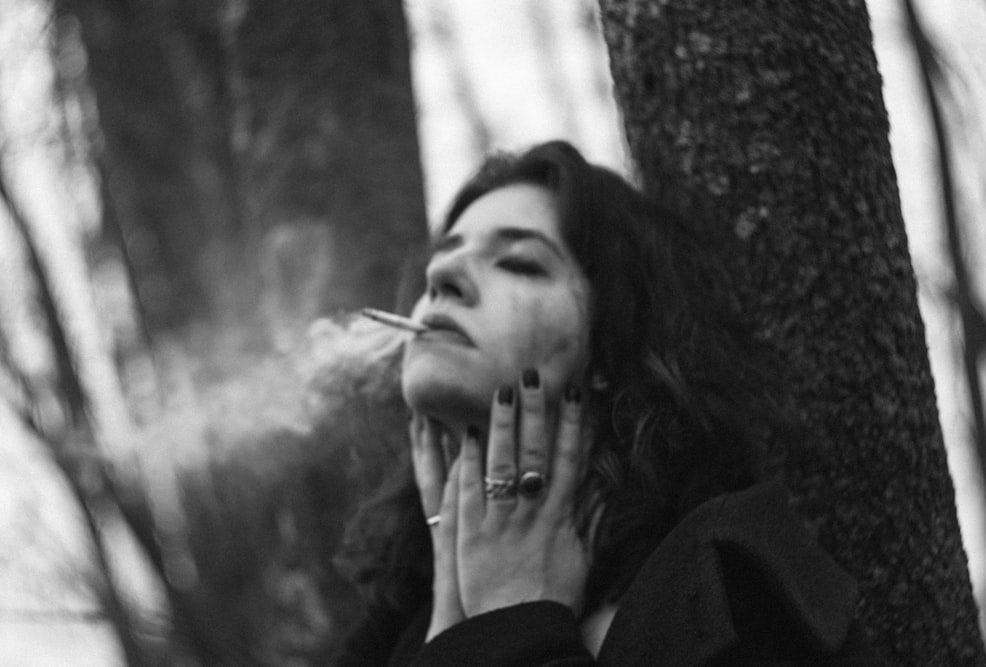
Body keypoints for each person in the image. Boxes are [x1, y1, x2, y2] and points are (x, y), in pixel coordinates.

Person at [335, 141, 882, 665]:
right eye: (447, 255)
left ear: (611, 346)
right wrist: (444, 637)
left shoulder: (737, 602)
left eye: (520, 263)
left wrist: (511, 625)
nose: (439, 275)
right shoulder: (389, 626)